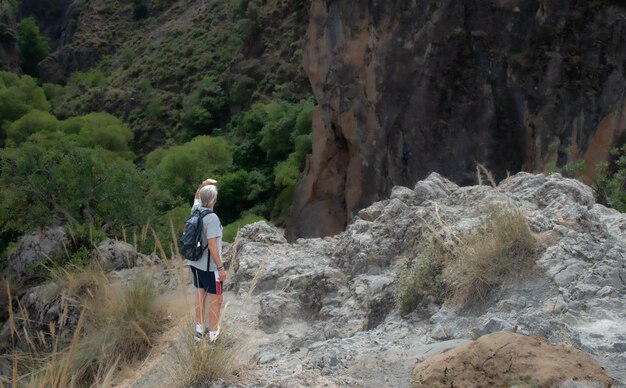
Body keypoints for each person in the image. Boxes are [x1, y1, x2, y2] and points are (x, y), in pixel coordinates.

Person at [185, 179, 227, 342]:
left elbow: (197, 196)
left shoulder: (195, 210)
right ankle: (214, 338)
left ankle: (199, 331)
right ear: (214, 200)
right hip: (210, 267)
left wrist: (203, 183)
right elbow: (212, 246)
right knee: (216, 300)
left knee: (200, 295)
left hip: (194, 263)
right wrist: (221, 268)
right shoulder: (212, 218)